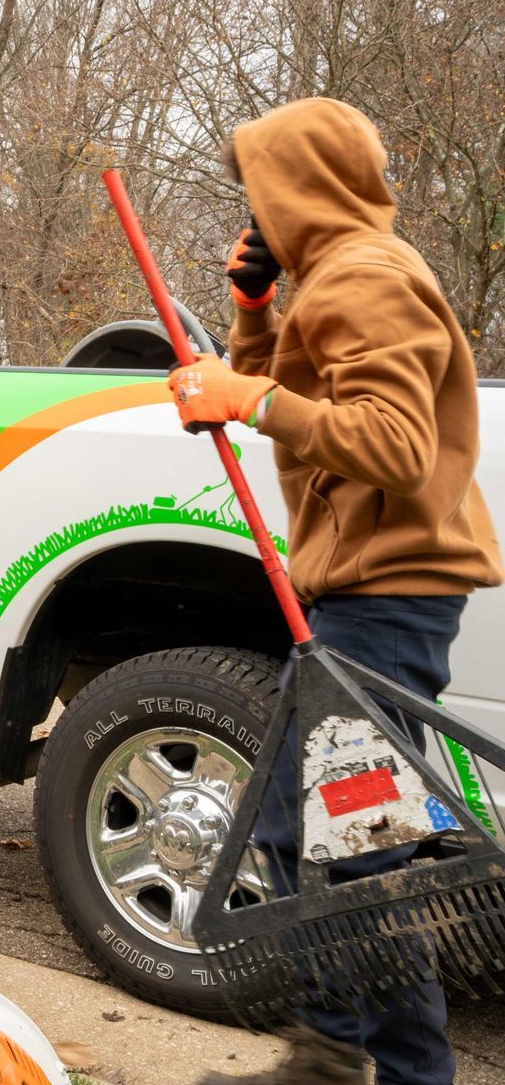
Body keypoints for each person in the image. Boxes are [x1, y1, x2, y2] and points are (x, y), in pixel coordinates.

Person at [168, 98, 501, 1085]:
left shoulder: (365, 277)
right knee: (347, 843)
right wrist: (255, 316)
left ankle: (350, 1060)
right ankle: (368, 1060)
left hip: (388, 594)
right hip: (373, 592)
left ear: (299, 187)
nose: (252, 212)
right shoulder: (340, 273)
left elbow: (392, 443)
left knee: (334, 841)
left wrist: (252, 396)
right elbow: (298, 397)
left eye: (260, 192)